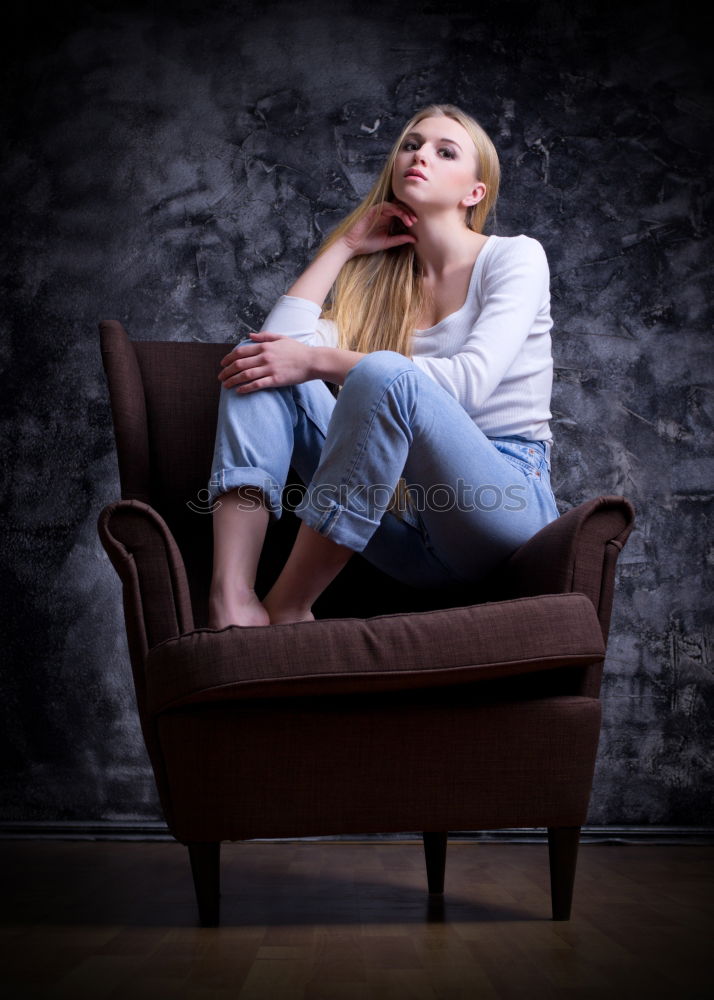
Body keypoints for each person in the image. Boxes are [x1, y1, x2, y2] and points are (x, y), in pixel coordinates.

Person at [205, 103, 559, 629]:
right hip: (407, 530)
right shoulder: (380, 292)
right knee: (255, 363)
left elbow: (468, 384)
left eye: (445, 151)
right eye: (411, 145)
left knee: (383, 373)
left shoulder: (513, 258)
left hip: (501, 505)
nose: (420, 156)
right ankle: (232, 599)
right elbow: (279, 343)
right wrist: (344, 246)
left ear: (473, 193)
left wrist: (317, 360)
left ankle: (286, 609)